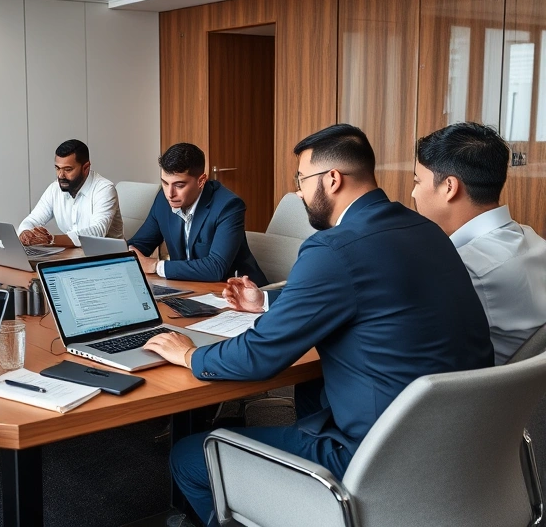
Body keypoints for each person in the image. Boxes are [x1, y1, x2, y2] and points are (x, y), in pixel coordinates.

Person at [144, 125, 494, 526]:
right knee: (312, 389)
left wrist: (188, 353)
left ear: (332, 179)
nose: (297, 193)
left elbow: (259, 356)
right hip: (460, 446)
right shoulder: (427, 230)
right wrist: (267, 302)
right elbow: (369, 300)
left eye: (301, 180)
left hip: (374, 457)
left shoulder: (333, 247)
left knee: (189, 456)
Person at [412, 122, 546, 364]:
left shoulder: (463, 269)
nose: (413, 194)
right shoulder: (533, 240)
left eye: (417, 181)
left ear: (449, 187)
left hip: (479, 394)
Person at [127, 143, 266, 283]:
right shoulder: (163, 201)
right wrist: (124, 252)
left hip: (233, 292)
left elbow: (215, 268)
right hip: (186, 288)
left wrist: (156, 266)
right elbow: (138, 245)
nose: (170, 193)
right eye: (165, 183)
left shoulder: (228, 206)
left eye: (179, 185)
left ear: (201, 181)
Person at [18, 139, 123, 247]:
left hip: (107, 257)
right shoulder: (55, 188)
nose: (60, 175)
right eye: (57, 168)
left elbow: (97, 232)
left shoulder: (104, 189)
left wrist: (50, 239)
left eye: (67, 169)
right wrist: (26, 233)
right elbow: (32, 220)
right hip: (72, 254)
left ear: (86, 168)